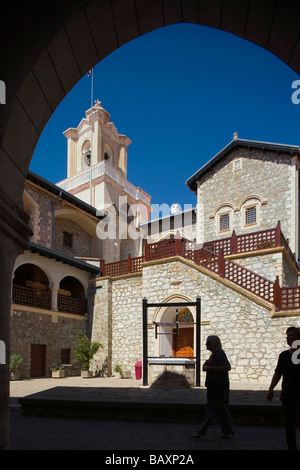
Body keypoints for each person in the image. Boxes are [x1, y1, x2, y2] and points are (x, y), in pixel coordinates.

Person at [191, 335, 234, 439]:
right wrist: (207, 364)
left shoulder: (220, 354)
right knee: (221, 409)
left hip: (218, 387)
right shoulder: (214, 355)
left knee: (211, 408)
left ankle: (201, 431)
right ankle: (227, 430)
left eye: (208, 343)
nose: (206, 345)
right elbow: (204, 368)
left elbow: (227, 367)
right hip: (214, 386)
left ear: (213, 344)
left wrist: (212, 368)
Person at [267, 326, 300, 450]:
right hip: (288, 394)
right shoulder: (284, 356)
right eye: (287, 336)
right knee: (289, 423)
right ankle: (292, 447)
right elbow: (278, 373)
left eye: (291, 335)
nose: (288, 338)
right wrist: (271, 389)